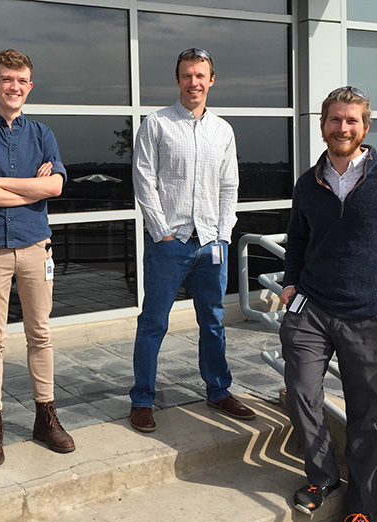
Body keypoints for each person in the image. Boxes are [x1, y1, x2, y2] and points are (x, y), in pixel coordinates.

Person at [279, 86, 377, 522]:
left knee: (367, 416)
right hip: (312, 310)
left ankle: (360, 506)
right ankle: (323, 477)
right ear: (322, 125)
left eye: (351, 120)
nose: (342, 127)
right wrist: (289, 284)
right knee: (303, 392)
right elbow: (298, 241)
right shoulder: (308, 183)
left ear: (364, 127)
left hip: (371, 317)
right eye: (334, 120)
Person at [129, 48, 256, 434]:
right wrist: (161, 232)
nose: (194, 82)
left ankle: (219, 391)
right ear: (178, 79)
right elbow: (143, 179)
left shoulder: (223, 131)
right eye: (187, 75)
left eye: (201, 75)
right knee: (153, 322)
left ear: (211, 79)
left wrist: (224, 233)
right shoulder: (156, 124)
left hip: (211, 244)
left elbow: (229, 184)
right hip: (171, 243)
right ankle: (142, 399)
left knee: (213, 321)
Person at [0, 49, 74, 468]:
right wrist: (31, 187)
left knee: (39, 334)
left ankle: (46, 417)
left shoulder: (43, 134)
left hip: (35, 248)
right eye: (7, 79)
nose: (14, 86)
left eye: (22, 80)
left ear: (30, 85)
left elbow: (57, 187)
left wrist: (3, 183)